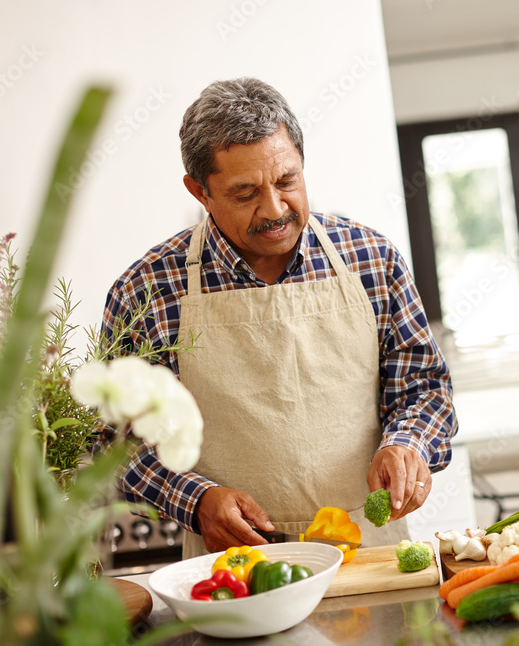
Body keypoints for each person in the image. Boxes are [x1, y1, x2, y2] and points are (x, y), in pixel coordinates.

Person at [103, 77, 456, 556]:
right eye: (245, 193)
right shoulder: (143, 292)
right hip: (233, 565)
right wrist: (197, 501)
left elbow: (424, 389)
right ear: (199, 191)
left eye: (287, 181)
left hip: (367, 549)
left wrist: (408, 444)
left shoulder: (373, 259)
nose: (274, 209)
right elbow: (121, 443)